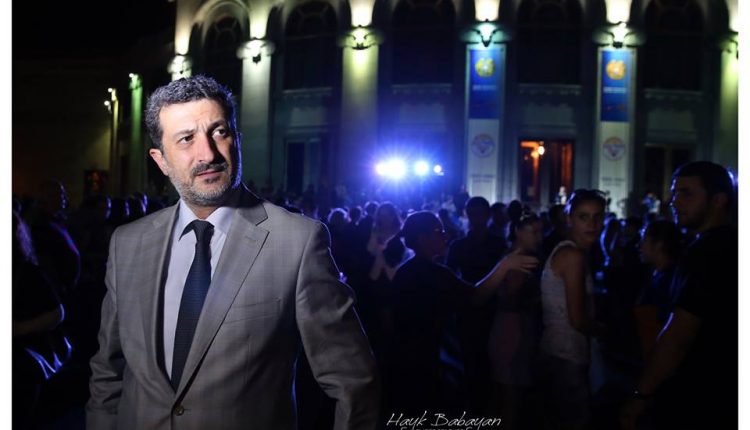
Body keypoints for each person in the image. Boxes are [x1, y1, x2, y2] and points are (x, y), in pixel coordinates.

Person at [86, 75, 380, 430]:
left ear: (237, 140)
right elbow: (108, 373)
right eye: (186, 139)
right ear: (160, 160)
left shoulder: (298, 242)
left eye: (219, 132)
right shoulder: (128, 243)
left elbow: (354, 383)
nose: (208, 154)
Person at [621, 161, 737, 430]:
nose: (674, 201)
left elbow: (678, 335)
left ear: (718, 200)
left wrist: (640, 395)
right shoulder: (726, 244)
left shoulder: (707, 252)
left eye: (686, 193)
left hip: (700, 394)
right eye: (674, 193)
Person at [386, 211, 538, 414]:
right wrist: (504, 266)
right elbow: (475, 297)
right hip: (431, 360)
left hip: (406, 359)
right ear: (423, 238)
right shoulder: (434, 273)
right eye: (439, 231)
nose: (445, 235)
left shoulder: (405, 271)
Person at [538, 189, 607, 430]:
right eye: (583, 217)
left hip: (559, 352)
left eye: (598, 217)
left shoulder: (572, 252)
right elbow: (577, 319)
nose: (592, 225)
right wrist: (604, 331)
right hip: (565, 355)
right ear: (569, 219)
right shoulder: (572, 256)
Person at [487, 208, 543, 430]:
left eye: (540, 232)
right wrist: (540, 298)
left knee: (501, 391)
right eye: (534, 232)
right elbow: (511, 299)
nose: (539, 237)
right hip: (514, 329)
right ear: (519, 232)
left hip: (507, 326)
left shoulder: (510, 255)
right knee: (510, 394)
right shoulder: (519, 261)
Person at [634, 220, 683, 360]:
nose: (639, 245)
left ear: (659, 245)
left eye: (644, 240)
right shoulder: (659, 275)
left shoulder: (667, 281)